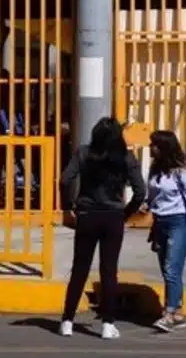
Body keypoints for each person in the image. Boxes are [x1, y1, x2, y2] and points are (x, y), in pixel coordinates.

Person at [58, 117, 145, 340]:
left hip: (87, 214)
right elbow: (140, 191)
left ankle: (67, 320)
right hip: (113, 216)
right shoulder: (125, 157)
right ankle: (108, 324)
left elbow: (65, 180)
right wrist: (126, 212)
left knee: (79, 268)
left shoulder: (84, 153)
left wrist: (68, 206)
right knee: (109, 270)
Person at [145, 130, 186, 332]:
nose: (150, 148)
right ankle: (178, 312)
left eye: (153, 144)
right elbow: (154, 195)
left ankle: (169, 313)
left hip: (179, 223)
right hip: (160, 222)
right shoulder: (156, 170)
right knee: (168, 269)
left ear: (163, 148)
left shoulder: (183, 172)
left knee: (173, 268)